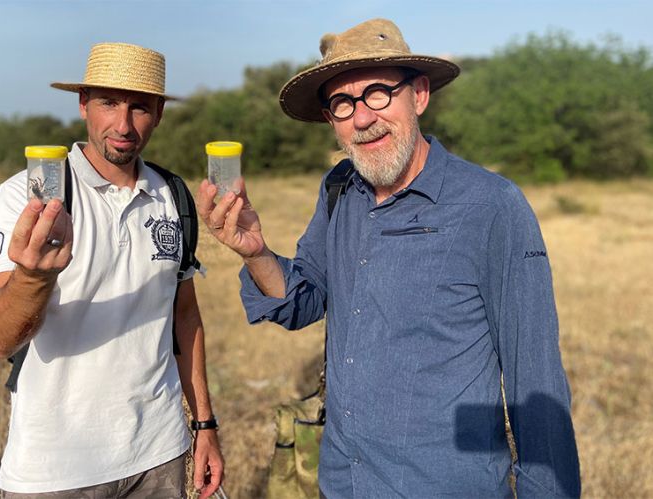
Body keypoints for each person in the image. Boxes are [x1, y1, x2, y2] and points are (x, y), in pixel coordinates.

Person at [197, 18, 580, 498]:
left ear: (418, 94)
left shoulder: (492, 206)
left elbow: (535, 380)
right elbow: (302, 300)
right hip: (343, 482)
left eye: (378, 93)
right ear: (330, 120)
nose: (362, 118)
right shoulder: (339, 189)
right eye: (342, 103)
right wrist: (254, 252)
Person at [0, 42, 224, 498]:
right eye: (109, 103)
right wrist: (33, 278)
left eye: (141, 108)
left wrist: (205, 423)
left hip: (160, 453)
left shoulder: (173, 196)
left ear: (160, 114)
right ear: (83, 104)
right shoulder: (25, 197)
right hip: (54, 468)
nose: (124, 125)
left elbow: (185, 317)